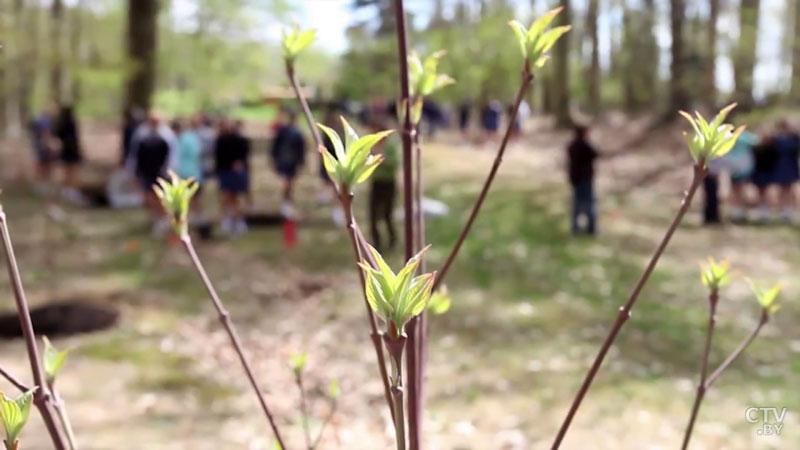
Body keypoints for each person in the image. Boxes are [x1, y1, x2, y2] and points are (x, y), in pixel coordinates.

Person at [126, 110, 178, 235]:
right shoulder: (141, 134)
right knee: (148, 197)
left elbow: (173, 155)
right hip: (146, 171)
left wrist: (170, 171)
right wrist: (134, 172)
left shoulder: (167, 135)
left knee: (160, 197)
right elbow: (134, 154)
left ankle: (163, 220)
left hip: (161, 172)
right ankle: (155, 219)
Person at [368, 115, 399, 251]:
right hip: (376, 183)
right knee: (373, 215)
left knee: (387, 215)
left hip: (388, 183)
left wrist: (381, 159)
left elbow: (395, 163)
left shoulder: (390, 145)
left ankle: (392, 240)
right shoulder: (371, 145)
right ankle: (376, 243)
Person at [215, 119, 250, 235]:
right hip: (225, 172)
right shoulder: (222, 140)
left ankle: (236, 221)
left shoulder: (238, 140)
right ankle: (230, 220)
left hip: (230, 173)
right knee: (227, 198)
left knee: (232, 198)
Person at [270, 110, 306, 217]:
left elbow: (301, 148)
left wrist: (301, 161)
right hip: (286, 160)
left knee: (290, 183)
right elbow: (276, 145)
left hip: (291, 161)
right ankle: (286, 203)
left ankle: (287, 202)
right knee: (288, 182)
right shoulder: (284, 131)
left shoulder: (296, 132)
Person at [566, 124, 598, 235]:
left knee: (577, 203)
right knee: (588, 203)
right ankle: (591, 228)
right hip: (584, 178)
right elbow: (596, 154)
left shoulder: (572, 145)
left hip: (576, 178)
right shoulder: (585, 146)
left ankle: (576, 227)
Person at [723, 127, 758, 221]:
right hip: (744, 166)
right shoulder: (745, 136)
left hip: (735, 166)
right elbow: (756, 141)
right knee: (741, 188)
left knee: (735, 189)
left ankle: (736, 210)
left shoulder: (729, 137)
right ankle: (740, 209)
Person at [54, 105, 85, 204]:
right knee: (71, 169)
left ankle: (67, 189)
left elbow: (57, 134)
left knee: (67, 169)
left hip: (65, 148)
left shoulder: (61, 123)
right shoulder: (71, 123)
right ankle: (70, 188)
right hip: (71, 149)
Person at [772, 120, 800, 222]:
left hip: (790, 166)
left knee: (789, 189)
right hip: (779, 166)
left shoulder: (794, 138)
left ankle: (788, 210)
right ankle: (781, 209)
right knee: (780, 189)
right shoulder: (776, 139)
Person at [30, 102, 58, 193]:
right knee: (44, 165)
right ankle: (43, 184)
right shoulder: (46, 120)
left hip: (37, 145)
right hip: (43, 146)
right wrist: (50, 145)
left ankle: (40, 184)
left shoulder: (39, 119)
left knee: (40, 164)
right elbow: (45, 134)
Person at [751, 134, 777, 221]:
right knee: (760, 191)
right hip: (759, 172)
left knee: (766, 191)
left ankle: (765, 209)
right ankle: (761, 209)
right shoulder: (757, 149)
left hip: (767, 173)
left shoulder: (772, 149)